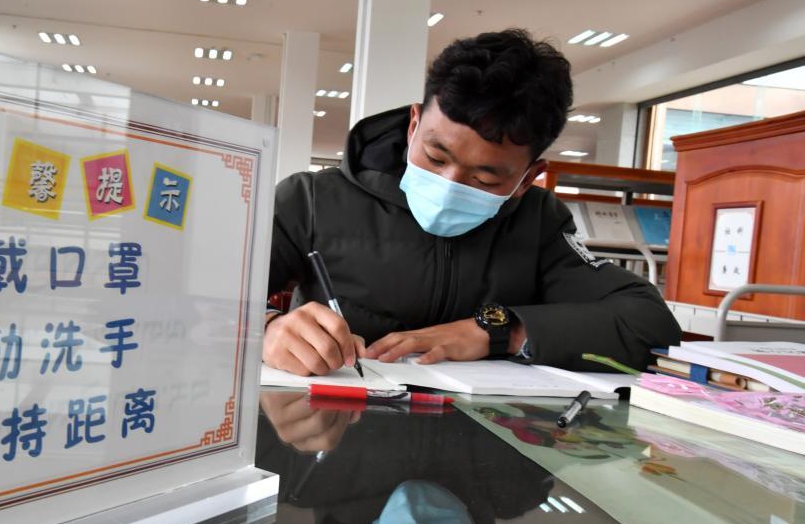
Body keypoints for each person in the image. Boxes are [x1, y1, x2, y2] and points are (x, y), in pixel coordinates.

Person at [264, 29, 681, 376]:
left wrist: (499, 331)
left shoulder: (539, 223)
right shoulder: (310, 199)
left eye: (484, 178)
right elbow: (222, 299)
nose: (448, 185)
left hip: (480, 441)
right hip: (340, 432)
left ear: (528, 177)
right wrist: (266, 329)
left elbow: (650, 324)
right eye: (435, 156)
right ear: (413, 125)